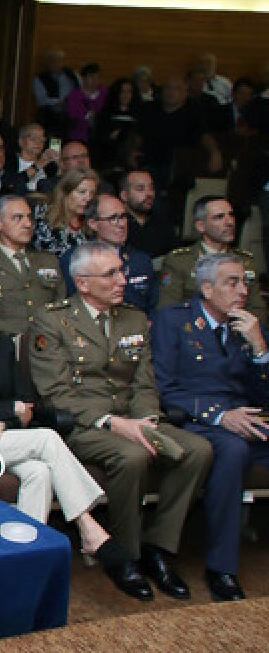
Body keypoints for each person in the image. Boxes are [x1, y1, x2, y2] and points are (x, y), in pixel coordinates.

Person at [29, 241, 212, 602]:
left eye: (121, 271)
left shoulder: (133, 318)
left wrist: (145, 419)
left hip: (133, 417)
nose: (123, 280)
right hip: (82, 425)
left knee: (199, 450)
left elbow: (144, 382)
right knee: (132, 456)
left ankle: (159, 546)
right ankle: (125, 555)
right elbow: (56, 393)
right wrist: (113, 422)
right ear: (82, 283)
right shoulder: (52, 321)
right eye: (111, 274)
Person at [0, 275, 135, 586]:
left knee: (40, 472)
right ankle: (88, 526)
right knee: (48, 439)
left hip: (7, 438)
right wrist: (7, 412)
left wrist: (2, 422)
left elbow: (26, 402)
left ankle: (25, 565)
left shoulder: (1, 345)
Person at [153, 253, 269, 602]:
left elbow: (262, 394)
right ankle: (222, 568)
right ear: (206, 289)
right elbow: (165, 387)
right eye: (231, 283)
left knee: (243, 441)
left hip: (245, 416)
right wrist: (220, 416)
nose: (242, 290)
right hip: (194, 419)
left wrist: (260, 348)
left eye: (244, 282)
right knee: (233, 450)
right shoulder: (174, 321)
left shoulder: (248, 325)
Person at [0, 195, 65, 336]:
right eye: (17, 218)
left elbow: (61, 303)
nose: (27, 224)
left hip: (47, 340)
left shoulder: (48, 261)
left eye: (29, 217)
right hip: (1, 341)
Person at [159, 196, 265, 318]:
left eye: (231, 215)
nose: (229, 222)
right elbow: (167, 310)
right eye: (219, 217)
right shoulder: (180, 261)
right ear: (201, 226)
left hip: (238, 331)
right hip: (193, 332)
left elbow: (258, 310)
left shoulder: (246, 261)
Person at [62, 194, 159, 315]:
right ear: (93, 224)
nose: (121, 224)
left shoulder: (141, 260)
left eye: (123, 217)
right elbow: (70, 303)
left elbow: (154, 306)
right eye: (113, 218)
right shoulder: (74, 259)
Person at [32, 167, 97, 257]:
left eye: (92, 193)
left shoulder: (92, 221)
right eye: (82, 192)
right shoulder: (44, 216)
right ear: (66, 192)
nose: (88, 198)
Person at [121, 169, 178, 258]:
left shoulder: (164, 225)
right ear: (124, 195)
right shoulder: (118, 224)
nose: (149, 194)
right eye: (140, 189)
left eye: (151, 188)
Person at [32, 49, 78, 137]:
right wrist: (58, 102)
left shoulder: (73, 76)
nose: (56, 63)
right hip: (52, 119)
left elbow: (80, 92)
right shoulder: (41, 79)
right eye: (53, 61)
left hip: (71, 118)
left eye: (60, 60)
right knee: (55, 145)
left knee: (71, 143)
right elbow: (41, 100)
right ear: (47, 63)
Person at [9, 122, 58, 194]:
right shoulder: (10, 161)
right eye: (33, 138)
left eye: (41, 140)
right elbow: (12, 184)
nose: (38, 143)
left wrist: (60, 167)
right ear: (21, 141)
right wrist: (39, 165)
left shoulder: (48, 165)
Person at [65, 63, 107, 143]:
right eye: (91, 77)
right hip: (78, 135)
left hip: (101, 134)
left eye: (97, 77)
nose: (95, 80)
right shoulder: (74, 95)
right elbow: (72, 114)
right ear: (83, 78)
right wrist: (88, 116)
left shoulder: (106, 93)